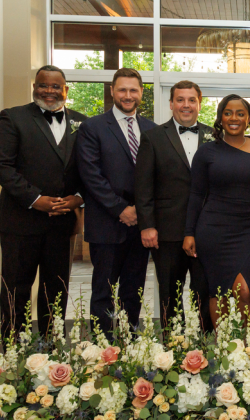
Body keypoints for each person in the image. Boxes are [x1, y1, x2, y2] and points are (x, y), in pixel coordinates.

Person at [0, 65, 86, 338]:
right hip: (20, 221)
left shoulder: (82, 123)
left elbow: (91, 169)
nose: (50, 91)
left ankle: (50, 349)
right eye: (44, 85)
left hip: (61, 224)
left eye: (56, 86)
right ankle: (12, 353)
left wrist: (77, 199)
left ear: (65, 89)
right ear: (35, 86)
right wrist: (35, 199)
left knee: (56, 291)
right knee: (16, 290)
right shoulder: (13, 118)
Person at [75, 68, 156, 335]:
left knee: (133, 290)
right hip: (107, 224)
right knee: (103, 291)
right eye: (122, 89)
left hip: (140, 226)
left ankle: (130, 341)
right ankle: (102, 347)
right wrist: (121, 209)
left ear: (141, 93)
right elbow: (90, 174)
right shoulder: (92, 127)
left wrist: (143, 214)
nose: (128, 95)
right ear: (112, 91)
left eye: (133, 90)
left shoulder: (152, 130)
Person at [183, 94, 250, 327]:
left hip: (248, 230)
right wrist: (189, 232)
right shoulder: (207, 152)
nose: (234, 118)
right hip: (213, 230)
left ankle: (245, 350)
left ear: (248, 119)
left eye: (240, 113)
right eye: (228, 113)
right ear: (220, 118)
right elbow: (196, 194)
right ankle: (224, 349)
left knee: (244, 291)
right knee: (220, 292)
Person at [135, 81, 214, 332]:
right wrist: (147, 225)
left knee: (205, 293)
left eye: (191, 100)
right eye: (180, 100)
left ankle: (208, 350)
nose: (186, 105)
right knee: (170, 295)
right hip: (167, 232)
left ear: (199, 104)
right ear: (171, 104)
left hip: (205, 231)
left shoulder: (216, 137)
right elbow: (143, 186)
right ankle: (173, 350)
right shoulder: (153, 137)